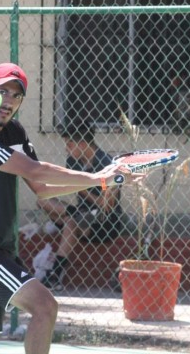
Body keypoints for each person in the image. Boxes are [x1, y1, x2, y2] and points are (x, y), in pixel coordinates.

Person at [0, 63, 142, 354]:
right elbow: (35, 171)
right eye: (2, 92)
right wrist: (99, 177)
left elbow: (42, 188)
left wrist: (101, 182)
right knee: (45, 306)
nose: (9, 100)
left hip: (0, 250)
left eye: (16, 95)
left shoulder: (12, 131)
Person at [36, 125, 123, 291]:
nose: (67, 149)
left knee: (71, 223)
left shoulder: (107, 164)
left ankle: (55, 274)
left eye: (69, 144)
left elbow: (106, 205)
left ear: (82, 144)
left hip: (104, 221)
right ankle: (69, 218)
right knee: (42, 200)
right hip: (80, 214)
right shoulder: (73, 162)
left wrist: (81, 188)